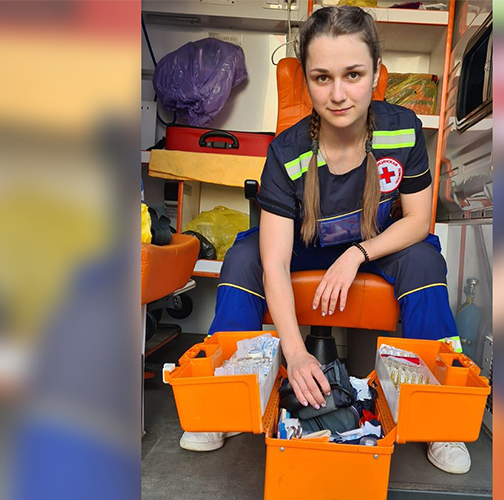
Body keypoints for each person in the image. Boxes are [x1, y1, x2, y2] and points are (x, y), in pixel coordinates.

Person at [178, 6, 470, 474]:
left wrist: (356, 254)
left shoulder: (403, 129)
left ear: (375, 72)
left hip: (372, 243)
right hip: (304, 245)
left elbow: (418, 220)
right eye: (321, 78)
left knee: (423, 261)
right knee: (245, 257)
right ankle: (224, 404)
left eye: (353, 74)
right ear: (306, 81)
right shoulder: (286, 151)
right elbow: (276, 262)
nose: (337, 94)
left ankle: (441, 418)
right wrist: (295, 355)